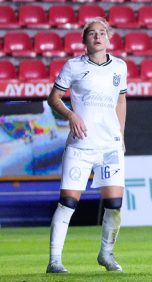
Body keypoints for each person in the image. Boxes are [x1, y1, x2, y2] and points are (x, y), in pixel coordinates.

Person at [46, 18, 128, 274]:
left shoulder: (120, 67)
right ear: (85, 40)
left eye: (102, 32)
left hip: (110, 147)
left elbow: (121, 101)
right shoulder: (73, 66)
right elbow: (54, 98)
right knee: (68, 202)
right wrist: (71, 115)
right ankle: (55, 261)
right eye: (92, 33)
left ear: (109, 38)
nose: (97, 36)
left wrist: (121, 136)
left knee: (114, 204)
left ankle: (106, 254)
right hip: (81, 147)